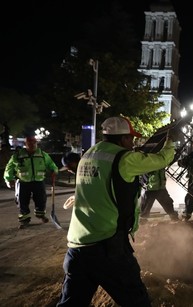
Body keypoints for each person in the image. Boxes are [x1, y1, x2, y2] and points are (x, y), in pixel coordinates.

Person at [56, 116, 178, 307]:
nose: (133, 143)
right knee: (136, 301)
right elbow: (162, 160)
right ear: (122, 139)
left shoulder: (87, 156)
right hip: (107, 248)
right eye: (130, 139)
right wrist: (170, 141)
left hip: (77, 248)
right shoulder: (124, 159)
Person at [3, 136, 58, 227]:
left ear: (36, 143)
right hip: (23, 182)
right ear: (25, 144)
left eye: (34, 143)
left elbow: (51, 165)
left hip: (38, 181)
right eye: (29, 143)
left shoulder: (43, 155)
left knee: (41, 200)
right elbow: (9, 168)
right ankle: (24, 220)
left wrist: (54, 171)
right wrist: (8, 179)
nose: (32, 145)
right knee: (22, 201)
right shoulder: (18, 156)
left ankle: (40, 215)